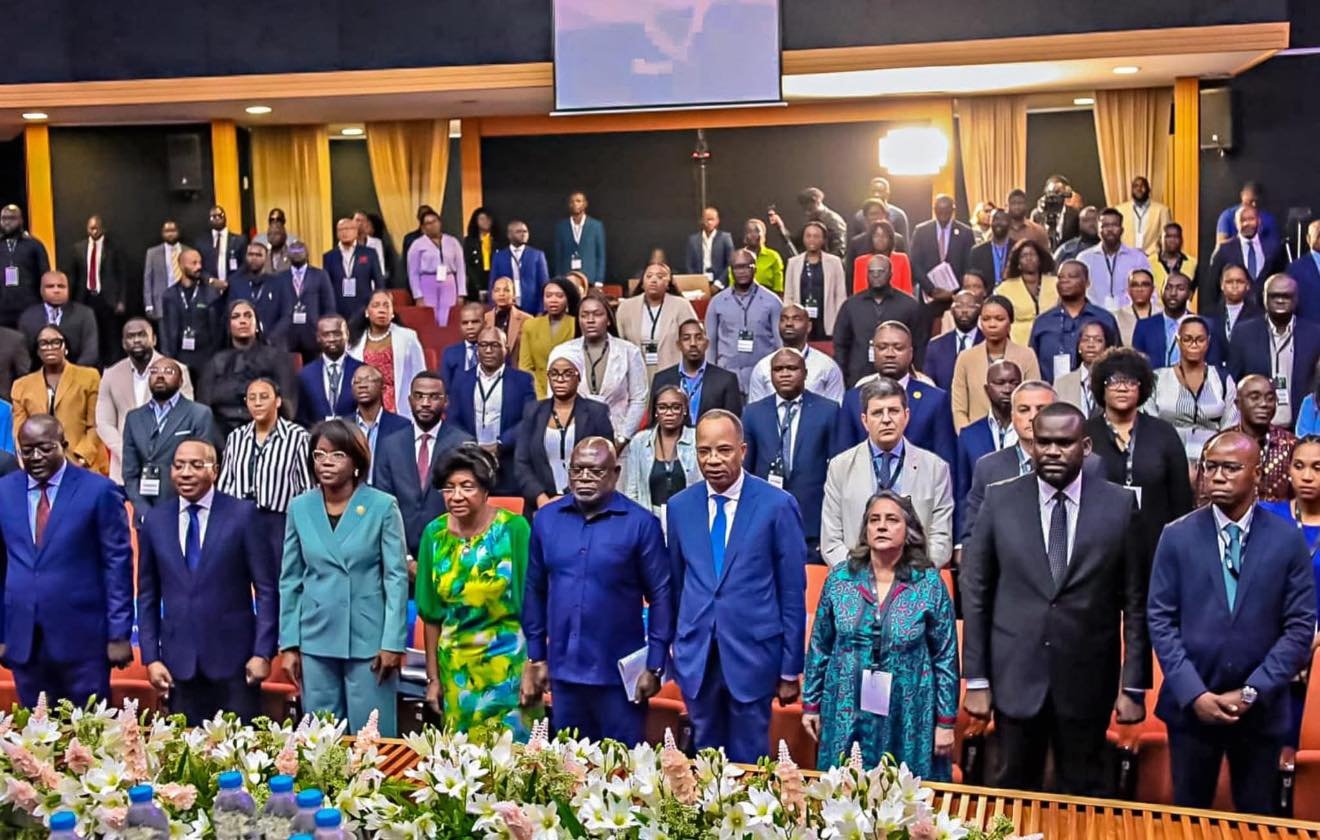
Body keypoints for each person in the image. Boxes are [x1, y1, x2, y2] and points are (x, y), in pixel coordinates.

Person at [962, 402, 1149, 795]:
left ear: (1085, 446)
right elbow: (976, 594)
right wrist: (976, 679)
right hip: (1015, 675)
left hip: (1087, 679)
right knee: (1013, 793)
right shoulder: (1000, 501)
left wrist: (1133, 686)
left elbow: (1135, 601)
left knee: (1083, 794)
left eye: (1063, 443)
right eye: (1042, 442)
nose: (1050, 451)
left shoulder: (1119, 504)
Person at [1148, 431, 1316, 814]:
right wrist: (1195, 693)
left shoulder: (1287, 541)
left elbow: (1299, 627)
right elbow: (1160, 620)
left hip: (1261, 710)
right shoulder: (1176, 536)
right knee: (1189, 817)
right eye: (1211, 467)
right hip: (1191, 709)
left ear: (1256, 474)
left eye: (1231, 468)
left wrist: (1252, 692)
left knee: (1256, 817)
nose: (1217, 476)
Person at [666, 410, 807, 762]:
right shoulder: (680, 507)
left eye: (724, 450)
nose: (713, 460)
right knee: (704, 762)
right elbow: (677, 586)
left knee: (750, 762)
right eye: (704, 451)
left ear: (742, 450)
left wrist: (790, 668)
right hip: (698, 656)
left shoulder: (776, 505)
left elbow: (791, 592)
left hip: (753, 656)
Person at [522, 437, 673, 744]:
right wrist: (536, 655)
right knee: (568, 771)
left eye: (596, 471)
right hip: (564, 673)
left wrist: (655, 665)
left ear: (615, 473)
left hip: (619, 677)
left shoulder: (641, 524)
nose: (585, 478)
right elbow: (534, 590)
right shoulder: (547, 521)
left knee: (621, 772)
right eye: (577, 470)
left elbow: (661, 596)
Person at [802, 491, 958, 775]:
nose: (882, 526)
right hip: (845, 703)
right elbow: (819, 647)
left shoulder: (929, 583)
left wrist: (945, 722)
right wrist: (811, 704)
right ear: (865, 530)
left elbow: (945, 657)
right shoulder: (840, 579)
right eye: (874, 520)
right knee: (844, 793)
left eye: (891, 520)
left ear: (909, 530)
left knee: (903, 799)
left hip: (908, 708)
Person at [280, 420, 408, 736]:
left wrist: (393, 641)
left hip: (369, 640)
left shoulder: (382, 506)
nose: (326, 463)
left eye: (337, 455)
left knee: (372, 739)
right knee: (321, 740)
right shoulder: (300, 507)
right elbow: (291, 579)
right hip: (315, 637)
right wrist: (289, 644)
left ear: (356, 462)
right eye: (319, 455)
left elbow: (395, 578)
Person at [136, 438, 276, 723]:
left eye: (196, 465)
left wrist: (263, 652)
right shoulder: (155, 520)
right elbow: (148, 594)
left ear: (216, 470)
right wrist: (151, 658)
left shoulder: (242, 514)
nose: (186, 473)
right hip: (179, 665)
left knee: (240, 756)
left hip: (236, 663)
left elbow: (266, 590)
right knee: (186, 759)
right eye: (179, 465)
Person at [0, 415, 132, 706]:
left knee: (90, 736)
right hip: (24, 639)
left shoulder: (98, 491)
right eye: (27, 449)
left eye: (45, 448)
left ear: (64, 445)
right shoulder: (5, 491)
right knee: (33, 739)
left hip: (83, 638)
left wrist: (119, 634)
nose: (35, 457)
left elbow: (117, 565)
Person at [410, 444, 533, 739]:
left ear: (485, 489)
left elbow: (535, 605)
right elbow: (431, 614)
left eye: (467, 486)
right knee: (462, 765)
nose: (456, 496)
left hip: (509, 668)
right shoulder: (433, 535)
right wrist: (433, 679)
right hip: (456, 673)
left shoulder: (514, 529)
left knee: (515, 765)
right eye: (448, 488)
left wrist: (533, 668)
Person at [822, 376, 954, 568]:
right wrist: (864, 576)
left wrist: (910, 575)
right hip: (856, 580)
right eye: (877, 413)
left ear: (906, 416)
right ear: (865, 421)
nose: (886, 420)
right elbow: (831, 541)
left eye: (893, 411)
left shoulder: (935, 468)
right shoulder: (839, 467)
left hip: (915, 583)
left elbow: (941, 539)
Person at [1085, 348, 1194, 571]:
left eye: (1131, 381)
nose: (1123, 387)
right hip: (1097, 546)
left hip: (1155, 545)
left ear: (1141, 387)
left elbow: (1181, 499)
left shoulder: (1164, 433)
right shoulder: (1085, 434)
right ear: (1101, 388)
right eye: (1114, 381)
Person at [744, 349, 839, 561]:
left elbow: (836, 469)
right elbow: (746, 471)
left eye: (792, 368)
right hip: (764, 519)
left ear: (805, 373)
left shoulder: (828, 410)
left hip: (812, 521)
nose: (785, 374)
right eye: (778, 369)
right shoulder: (752, 413)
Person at [1258, 436, 1320, 751]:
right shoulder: (1264, 516)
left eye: (1317, 468)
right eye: (1299, 466)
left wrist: (1313, 643)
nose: (1307, 476)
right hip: (1267, 648)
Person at [371, 371, 471, 559]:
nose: (425, 403)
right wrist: (405, 558)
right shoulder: (390, 444)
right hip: (399, 556)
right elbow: (383, 503)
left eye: (434, 397)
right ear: (409, 400)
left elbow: (468, 505)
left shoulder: (463, 444)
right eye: (419, 396)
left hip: (451, 553)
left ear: (446, 402)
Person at [217, 378, 312, 564]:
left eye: (264, 397)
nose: (257, 403)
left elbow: (306, 487)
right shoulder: (236, 437)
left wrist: (301, 526)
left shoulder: (298, 436)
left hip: (279, 521)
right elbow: (226, 482)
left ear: (277, 401)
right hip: (240, 519)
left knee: (278, 578)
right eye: (252, 398)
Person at [835, 321, 955, 463]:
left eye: (898, 348)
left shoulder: (935, 400)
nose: (889, 354)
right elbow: (843, 458)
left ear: (911, 353)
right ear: (873, 351)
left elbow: (946, 461)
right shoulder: (853, 399)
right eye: (882, 347)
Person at [96, 318, 194, 484]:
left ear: (154, 339)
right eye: (130, 336)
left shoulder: (178, 370)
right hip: (123, 468)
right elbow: (103, 422)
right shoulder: (111, 374)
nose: (136, 340)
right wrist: (126, 452)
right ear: (123, 343)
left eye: (141, 335)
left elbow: (185, 417)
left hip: (167, 465)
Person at [122, 358, 214, 528]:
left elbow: (200, 469)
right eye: (154, 371)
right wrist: (146, 512)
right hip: (146, 515)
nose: (160, 376)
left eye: (168, 371)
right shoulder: (134, 417)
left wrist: (179, 509)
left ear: (180, 381)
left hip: (184, 511)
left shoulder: (199, 414)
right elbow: (130, 473)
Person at [515, 356, 615, 513]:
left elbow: (604, 463)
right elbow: (521, 462)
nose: (560, 379)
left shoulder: (597, 412)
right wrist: (541, 498)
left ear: (579, 377)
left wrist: (567, 497)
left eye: (567, 373)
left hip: (586, 502)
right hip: (540, 506)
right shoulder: (533, 411)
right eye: (554, 373)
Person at [548, 291, 647, 447]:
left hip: (618, 437)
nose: (590, 320)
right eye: (584, 315)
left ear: (608, 319)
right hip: (573, 438)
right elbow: (553, 399)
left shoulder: (629, 352)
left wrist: (622, 438)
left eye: (597, 314)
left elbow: (639, 399)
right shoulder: (562, 353)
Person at [448, 325, 535, 494]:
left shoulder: (522, 381)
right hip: (470, 461)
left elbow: (529, 419)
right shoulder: (461, 380)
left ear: (506, 349)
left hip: (509, 462)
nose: (488, 350)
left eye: (495, 345)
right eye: (483, 345)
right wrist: (470, 445)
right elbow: (453, 418)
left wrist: (500, 444)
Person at [1228, 273, 1320, 428]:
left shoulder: (1315, 334)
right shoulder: (1243, 333)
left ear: (1296, 299)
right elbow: (1233, 384)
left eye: (1286, 296)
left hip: (1301, 429)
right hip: (1255, 430)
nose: (1280, 300)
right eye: (1274, 296)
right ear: (1264, 297)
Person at [12, 325, 107, 474]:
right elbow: (19, 432)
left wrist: (81, 458)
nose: (49, 347)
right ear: (37, 351)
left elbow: (95, 424)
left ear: (66, 347)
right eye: (43, 343)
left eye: (56, 342)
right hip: (40, 465)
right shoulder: (21, 386)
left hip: (82, 463)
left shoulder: (89, 377)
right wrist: (28, 461)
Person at [199, 299, 297, 441]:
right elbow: (204, 410)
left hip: (269, 434)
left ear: (257, 324)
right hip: (221, 438)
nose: (243, 321)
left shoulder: (278, 359)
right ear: (228, 325)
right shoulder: (215, 362)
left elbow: (288, 407)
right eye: (236, 317)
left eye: (248, 316)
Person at [1144, 317, 1239, 463]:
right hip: (1166, 458)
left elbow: (1230, 426)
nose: (1194, 344)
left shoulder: (1222, 379)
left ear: (1208, 341)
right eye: (1187, 339)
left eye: (1200, 340)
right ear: (1178, 341)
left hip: (1212, 460)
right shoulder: (1158, 378)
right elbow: (1150, 424)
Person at [833, 254, 925, 387]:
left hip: (898, 378)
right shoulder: (851, 305)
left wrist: (915, 374)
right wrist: (842, 375)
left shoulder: (909, 305)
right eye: (871, 271)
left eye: (881, 271)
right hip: (858, 377)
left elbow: (919, 344)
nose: (875, 275)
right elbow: (841, 344)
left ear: (890, 274)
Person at [952, 295, 1041, 430]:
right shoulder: (966, 358)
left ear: (1010, 321)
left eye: (999, 319)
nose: (992, 324)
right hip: (977, 437)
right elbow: (959, 408)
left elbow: (1034, 400)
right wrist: (968, 438)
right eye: (986, 319)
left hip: (1017, 434)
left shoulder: (1027, 355)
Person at [1027, 260, 1119, 384]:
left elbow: (1117, 361)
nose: (1065, 280)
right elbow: (1032, 365)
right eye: (1060, 277)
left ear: (1087, 283)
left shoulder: (1104, 319)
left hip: (1094, 394)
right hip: (1051, 395)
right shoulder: (1042, 322)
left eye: (1072, 276)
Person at [621, 384, 700, 514]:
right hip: (650, 518)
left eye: (675, 407)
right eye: (662, 407)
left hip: (688, 517)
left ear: (684, 410)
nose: (669, 413)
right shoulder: (639, 441)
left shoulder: (696, 439)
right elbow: (632, 491)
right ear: (655, 411)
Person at [348, 290, 427, 419]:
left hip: (399, 407)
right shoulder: (353, 342)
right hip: (365, 405)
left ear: (392, 313)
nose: (382, 310)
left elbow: (420, 375)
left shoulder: (408, 337)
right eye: (376, 305)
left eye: (386, 305)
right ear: (367, 312)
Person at [955, 360, 1023, 507]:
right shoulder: (969, 436)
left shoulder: (1032, 431)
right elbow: (962, 493)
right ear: (987, 389)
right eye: (1000, 382)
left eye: (1014, 383)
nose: (1007, 389)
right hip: (981, 520)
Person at [746, 305, 845, 405]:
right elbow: (755, 411)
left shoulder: (827, 367)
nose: (789, 323)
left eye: (796, 319)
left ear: (809, 326)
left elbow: (836, 410)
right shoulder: (762, 367)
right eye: (783, 319)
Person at [652, 318, 743, 425]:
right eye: (686, 338)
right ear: (678, 345)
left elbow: (732, 424)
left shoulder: (726, 380)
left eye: (699, 338)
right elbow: (654, 423)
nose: (693, 343)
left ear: (707, 343)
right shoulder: (661, 379)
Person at [617, 262, 698, 378]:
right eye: (649, 276)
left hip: (672, 371)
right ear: (642, 283)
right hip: (635, 373)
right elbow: (619, 342)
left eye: (660, 277)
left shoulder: (681, 306)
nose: (654, 280)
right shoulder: (626, 307)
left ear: (668, 283)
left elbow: (693, 339)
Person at [1228, 374, 1298, 502]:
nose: (1264, 404)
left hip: (1280, 519)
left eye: (1270, 398)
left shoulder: (1292, 445)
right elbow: (1203, 500)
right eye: (1255, 398)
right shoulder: (1222, 446)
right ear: (1238, 403)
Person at [1207, 205, 1288, 311]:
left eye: (1251, 219)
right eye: (1243, 220)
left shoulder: (1274, 248)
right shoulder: (1224, 250)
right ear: (1236, 224)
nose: (1247, 223)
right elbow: (1212, 286)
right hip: (1234, 312)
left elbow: (1281, 277)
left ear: (1258, 221)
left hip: (1266, 311)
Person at [69, 215, 126, 364]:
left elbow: (122, 275)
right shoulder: (78, 248)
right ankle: (93, 366)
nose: (94, 231)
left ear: (103, 229)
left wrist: (121, 300)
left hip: (108, 298)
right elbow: (74, 276)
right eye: (91, 228)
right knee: (89, 334)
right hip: (86, 297)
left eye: (96, 228)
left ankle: (113, 366)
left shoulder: (113, 248)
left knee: (111, 335)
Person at [160, 247, 223, 382]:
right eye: (193, 263)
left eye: (200, 263)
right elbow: (165, 329)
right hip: (180, 355)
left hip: (205, 355)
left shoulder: (211, 293)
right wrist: (168, 358)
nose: (199, 267)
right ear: (181, 265)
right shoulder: (169, 295)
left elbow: (218, 328)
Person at [1132, 271, 1219, 368]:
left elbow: (1214, 366)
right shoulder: (1144, 326)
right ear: (1161, 292)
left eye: (1180, 288)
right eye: (1168, 288)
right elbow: (1136, 367)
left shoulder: (1206, 325)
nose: (1173, 293)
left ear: (1190, 294)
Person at [342, 364, 410, 483]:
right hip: (351, 492)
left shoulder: (401, 426)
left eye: (369, 380)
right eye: (357, 382)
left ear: (383, 388)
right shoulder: (343, 426)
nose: (362, 385)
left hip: (387, 493)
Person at [19, 270, 99, 367]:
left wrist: (72, 374)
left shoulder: (85, 314)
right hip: (38, 376)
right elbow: (23, 355)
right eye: (50, 286)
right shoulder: (28, 317)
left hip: (76, 375)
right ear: (41, 290)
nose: (56, 290)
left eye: (61, 286)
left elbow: (90, 352)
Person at [1078, 207, 1152, 312]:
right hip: (1093, 319)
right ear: (1098, 230)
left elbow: (1151, 293)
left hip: (1130, 318)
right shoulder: (1084, 259)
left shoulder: (1138, 258)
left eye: (1114, 225)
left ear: (1122, 229)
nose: (1110, 230)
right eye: (1105, 226)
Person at [224, 242, 294, 350]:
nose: (254, 258)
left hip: (274, 345)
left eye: (258, 255)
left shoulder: (279, 282)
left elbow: (287, 315)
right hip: (243, 345)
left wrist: (270, 339)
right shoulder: (235, 283)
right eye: (250, 254)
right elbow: (230, 314)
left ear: (266, 258)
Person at [909, 194, 975, 307]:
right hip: (928, 295)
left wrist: (954, 291)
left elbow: (969, 264)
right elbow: (915, 263)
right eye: (939, 210)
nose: (943, 213)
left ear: (953, 210)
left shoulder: (965, 232)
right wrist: (931, 289)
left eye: (947, 209)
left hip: (956, 296)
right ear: (934, 209)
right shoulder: (921, 231)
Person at [519, 278, 579, 399]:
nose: (553, 300)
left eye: (559, 296)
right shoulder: (530, 325)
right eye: (548, 295)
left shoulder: (577, 325)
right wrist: (541, 396)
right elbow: (525, 366)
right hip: (538, 392)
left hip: (572, 393)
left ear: (568, 299)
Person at [786, 221, 848, 340]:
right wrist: (790, 320)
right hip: (800, 320)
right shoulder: (793, 262)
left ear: (823, 240)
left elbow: (840, 296)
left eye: (816, 236)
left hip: (826, 320)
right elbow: (789, 295)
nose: (812, 240)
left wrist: (839, 322)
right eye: (808, 236)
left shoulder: (834, 262)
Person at [296, 315, 361, 427]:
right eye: (326, 335)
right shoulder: (305, 375)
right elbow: (301, 417)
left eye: (337, 333)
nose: (332, 339)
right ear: (318, 337)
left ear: (347, 335)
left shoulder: (361, 370)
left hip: (353, 438)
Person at [281, 240, 339, 363]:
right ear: (287, 255)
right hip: (288, 336)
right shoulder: (280, 278)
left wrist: (325, 331)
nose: (296, 253)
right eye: (293, 251)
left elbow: (329, 306)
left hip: (313, 334)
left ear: (307, 254)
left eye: (300, 251)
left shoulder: (320, 275)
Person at [407, 209, 465, 327]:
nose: (432, 225)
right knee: (429, 315)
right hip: (427, 281)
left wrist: (461, 293)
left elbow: (461, 269)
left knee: (448, 315)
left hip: (449, 281)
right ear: (423, 227)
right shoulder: (417, 245)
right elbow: (413, 272)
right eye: (428, 223)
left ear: (440, 222)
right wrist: (418, 295)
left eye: (434, 221)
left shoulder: (452, 242)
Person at [325, 217, 384, 330]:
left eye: (348, 228)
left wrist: (377, 304)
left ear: (356, 231)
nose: (344, 232)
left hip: (364, 306)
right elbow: (327, 286)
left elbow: (379, 282)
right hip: (338, 308)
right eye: (341, 229)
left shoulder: (369, 254)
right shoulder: (328, 256)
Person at [997, 239, 1058, 345]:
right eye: (1024, 256)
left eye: (1033, 254)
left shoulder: (1055, 283)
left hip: (1052, 341)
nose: (1029, 258)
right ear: (1018, 262)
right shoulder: (1004, 288)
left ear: (1040, 259)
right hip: (1019, 344)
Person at [924, 290, 983, 393]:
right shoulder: (935, 346)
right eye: (959, 306)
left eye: (970, 306)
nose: (964, 310)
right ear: (951, 310)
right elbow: (930, 386)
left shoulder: (989, 343)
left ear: (980, 310)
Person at [0, 205, 47, 330]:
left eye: (12, 218)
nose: (7, 222)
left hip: (29, 307)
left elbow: (45, 276)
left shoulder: (34, 245)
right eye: (4, 218)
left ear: (21, 220)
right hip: (2, 310)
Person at [768, 187, 848, 259]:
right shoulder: (811, 221)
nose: (807, 213)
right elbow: (795, 243)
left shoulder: (834, 220)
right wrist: (780, 227)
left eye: (810, 209)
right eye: (805, 209)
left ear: (817, 202)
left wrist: (823, 264)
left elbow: (840, 249)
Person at [1054, 321, 1113, 415]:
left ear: (1106, 347)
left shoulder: (1114, 382)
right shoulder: (1061, 384)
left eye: (1098, 340)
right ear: (1079, 347)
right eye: (1085, 340)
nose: (1091, 345)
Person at [490, 220, 549, 315]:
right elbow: (493, 284)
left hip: (532, 309)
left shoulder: (537, 255)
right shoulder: (499, 257)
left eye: (525, 231)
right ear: (509, 235)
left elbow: (544, 285)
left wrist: (542, 309)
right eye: (519, 232)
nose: (523, 234)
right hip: (506, 308)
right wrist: (494, 309)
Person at [552, 192, 606, 284]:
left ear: (585, 204)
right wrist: (559, 279)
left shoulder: (596, 226)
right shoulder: (561, 227)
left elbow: (600, 255)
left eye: (578, 201)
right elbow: (558, 256)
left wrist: (599, 280)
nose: (575, 204)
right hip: (567, 278)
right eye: (572, 202)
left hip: (590, 278)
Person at [850, 220, 912, 296]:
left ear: (890, 238)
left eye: (884, 236)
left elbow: (907, 291)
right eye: (876, 236)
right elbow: (858, 293)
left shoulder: (902, 259)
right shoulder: (860, 262)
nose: (880, 239)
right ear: (871, 238)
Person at [1215, 181, 1281, 251]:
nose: (1254, 204)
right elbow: (1220, 247)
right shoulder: (1227, 216)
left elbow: (1275, 247)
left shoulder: (1268, 219)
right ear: (1242, 196)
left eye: (1257, 201)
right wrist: (1241, 238)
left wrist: (1259, 238)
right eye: (1250, 200)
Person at [1115, 176, 1171, 258]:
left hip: (1152, 257)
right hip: (1126, 257)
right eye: (1136, 186)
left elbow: (1166, 236)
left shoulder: (1162, 210)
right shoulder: (1120, 210)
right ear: (1131, 190)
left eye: (1142, 186)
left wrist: (1150, 253)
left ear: (1149, 189)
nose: (1139, 189)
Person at [1209, 264, 1262, 350]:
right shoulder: (1210, 315)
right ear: (1222, 285)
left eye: (1240, 281)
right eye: (1229, 282)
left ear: (1247, 285)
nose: (1234, 286)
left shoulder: (1258, 316)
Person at [143, 219, 184, 323]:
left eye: (173, 230)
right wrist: (149, 304)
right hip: (162, 301)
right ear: (162, 233)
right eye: (167, 231)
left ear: (178, 232)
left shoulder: (188, 250)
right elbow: (148, 279)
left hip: (184, 299)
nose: (170, 234)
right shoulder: (152, 253)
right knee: (165, 336)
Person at [686, 206, 736, 288]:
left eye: (712, 219)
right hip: (699, 283)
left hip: (720, 283)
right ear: (702, 220)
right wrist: (696, 282)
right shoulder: (693, 240)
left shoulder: (725, 238)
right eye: (707, 219)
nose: (709, 222)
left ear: (717, 221)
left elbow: (730, 263)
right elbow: (689, 265)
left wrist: (718, 284)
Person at [440, 301, 486, 389]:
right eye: (465, 323)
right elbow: (445, 388)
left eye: (475, 322)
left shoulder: (496, 350)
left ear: (485, 323)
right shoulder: (450, 353)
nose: (470, 327)